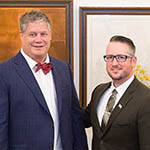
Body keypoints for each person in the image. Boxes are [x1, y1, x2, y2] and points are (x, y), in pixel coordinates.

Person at [0, 9, 88, 150]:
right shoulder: (4, 72)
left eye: (43, 34)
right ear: (21, 36)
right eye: (32, 34)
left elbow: (74, 118)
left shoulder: (63, 69)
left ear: (50, 36)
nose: (39, 40)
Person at [82, 35, 150, 150]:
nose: (114, 63)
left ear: (133, 61)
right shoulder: (99, 92)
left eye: (121, 57)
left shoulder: (145, 98)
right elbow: (82, 120)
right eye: (109, 57)